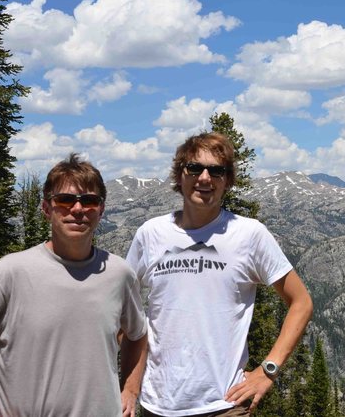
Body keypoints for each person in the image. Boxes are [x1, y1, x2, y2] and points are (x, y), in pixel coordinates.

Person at [0, 153, 148, 417]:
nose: (77, 209)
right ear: (46, 208)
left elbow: (138, 335)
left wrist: (130, 390)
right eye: (64, 200)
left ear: (101, 209)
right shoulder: (8, 273)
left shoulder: (119, 273)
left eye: (89, 200)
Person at [126, 132, 313, 416]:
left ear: (227, 180)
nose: (204, 178)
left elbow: (301, 303)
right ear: (180, 176)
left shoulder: (249, 234)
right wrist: (130, 386)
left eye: (216, 170)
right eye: (194, 168)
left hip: (225, 405)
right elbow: (123, 308)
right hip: (157, 405)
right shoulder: (150, 234)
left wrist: (268, 370)